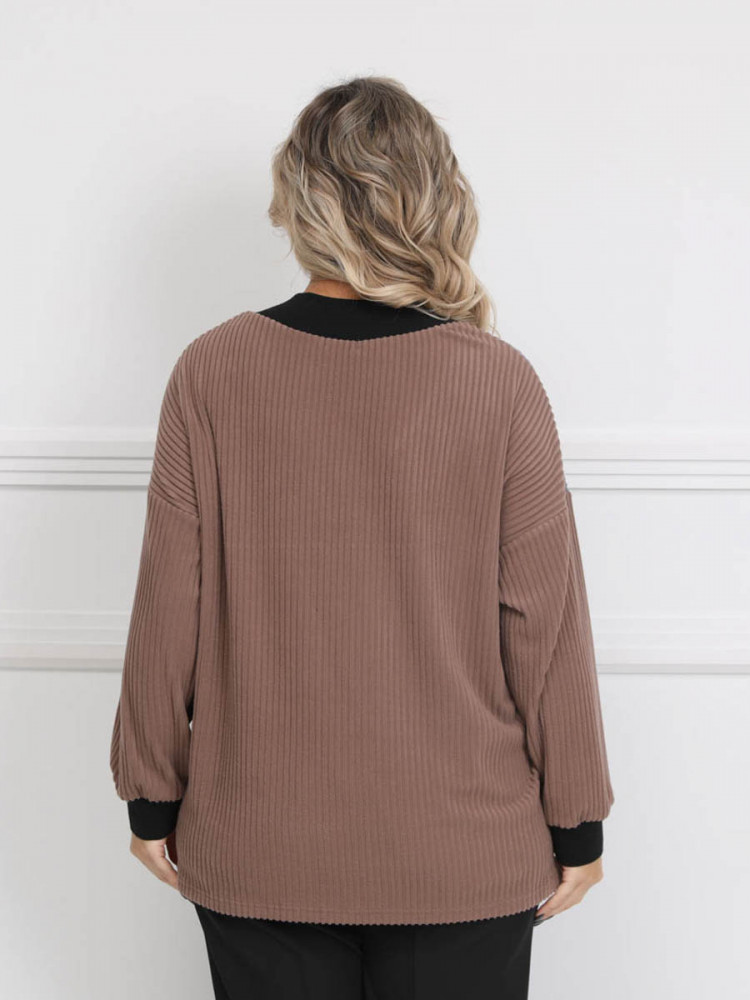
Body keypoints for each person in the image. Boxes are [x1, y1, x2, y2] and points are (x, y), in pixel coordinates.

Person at [110, 75, 615, 1000]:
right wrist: (578, 819)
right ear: (433, 199)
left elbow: (167, 608)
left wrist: (150, 794)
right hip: (462, 852)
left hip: (262, 844)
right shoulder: (498, 382)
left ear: (297, 203)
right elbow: (545, 629)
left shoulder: (212, 372)